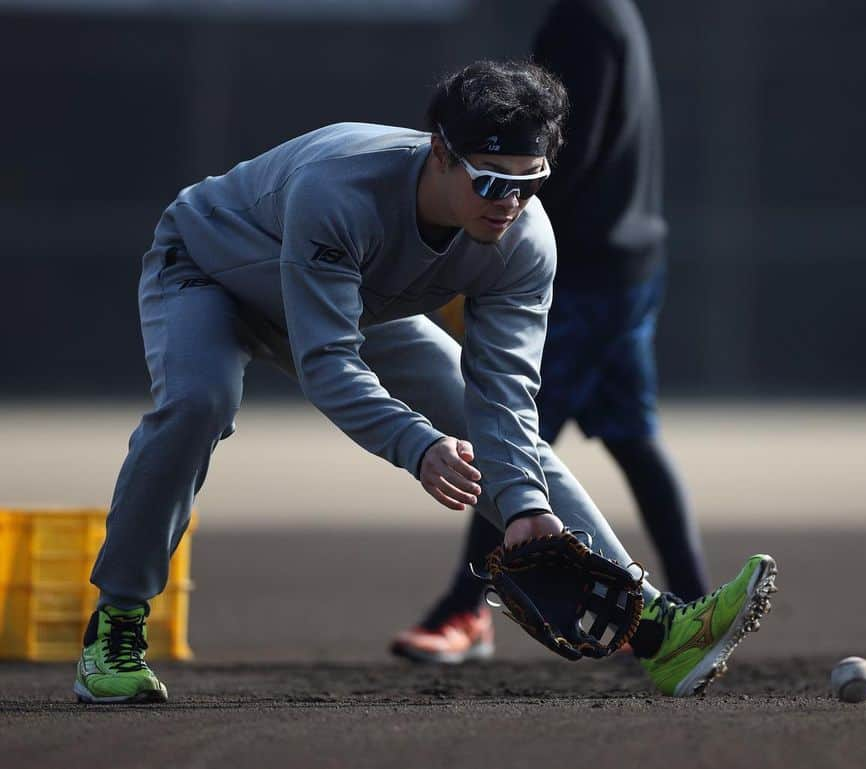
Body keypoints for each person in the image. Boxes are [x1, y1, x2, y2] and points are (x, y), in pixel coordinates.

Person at [74, 59, 776, 704]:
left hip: (356, 301)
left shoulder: (524, 243)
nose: (510, 203)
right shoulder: (338, 190)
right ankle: (115, 629)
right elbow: (327, 364)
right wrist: (418, 445)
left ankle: (659, 631)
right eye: (493, 181)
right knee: (201, 400)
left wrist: (526, 506)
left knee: (515, 445)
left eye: (530, 184)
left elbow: (503, 397)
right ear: (439, 151)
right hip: (212, 273)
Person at [392, 0, 710, 665]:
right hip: (629, 261)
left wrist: (482, 252)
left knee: (506, 435)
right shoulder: (609, 12)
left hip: (585, 272)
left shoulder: (583, 20)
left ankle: (463, 609)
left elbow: (559, 158)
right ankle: (696, 605)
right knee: (631, 436)